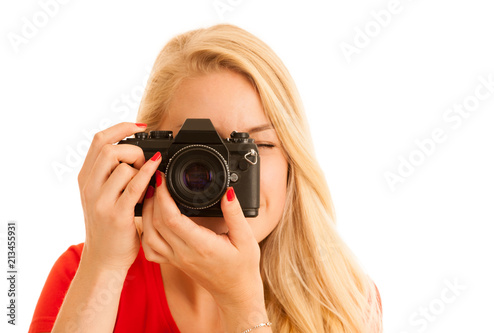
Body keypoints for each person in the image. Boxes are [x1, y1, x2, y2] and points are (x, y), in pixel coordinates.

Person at [29, 24, 382, 333]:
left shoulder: (342, 298)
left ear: (292, 159)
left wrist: (242, 305)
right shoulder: (85, 272)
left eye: (256, 145)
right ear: (149, 156)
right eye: (196, 150)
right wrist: (103, 266)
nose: (219, 177)